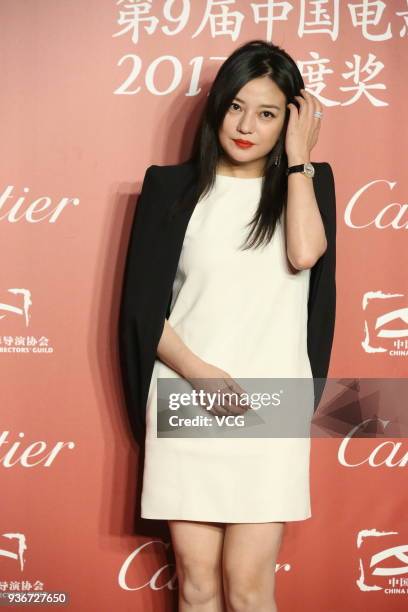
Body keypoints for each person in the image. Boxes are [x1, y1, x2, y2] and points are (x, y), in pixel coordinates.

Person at [118, 39, 336, 612]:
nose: (245, 126)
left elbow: (306, 254)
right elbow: (143, 310)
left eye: (267, 113)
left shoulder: (308, 184)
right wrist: (199, 373)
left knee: (248, 585)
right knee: (196, 585)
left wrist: (299, 160)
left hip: (272, 402)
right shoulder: (170, 189)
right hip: (187, 394)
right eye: (235, 106)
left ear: (291, 120)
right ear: (216, 106)